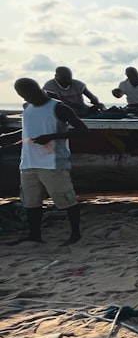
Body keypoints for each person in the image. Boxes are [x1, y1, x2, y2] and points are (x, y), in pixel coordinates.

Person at [7, 78, 89, 244]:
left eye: (24, 94)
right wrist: (6, 139)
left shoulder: (58, 108)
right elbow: (27, 132)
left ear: (35, 90)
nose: (23, 98)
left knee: (66, 200)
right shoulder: (27, 108)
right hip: (29, 163)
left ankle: (75, 234)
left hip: (53, 163)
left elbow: (82, 131)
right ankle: (35, 235)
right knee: (31, 202)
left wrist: (51, 137)